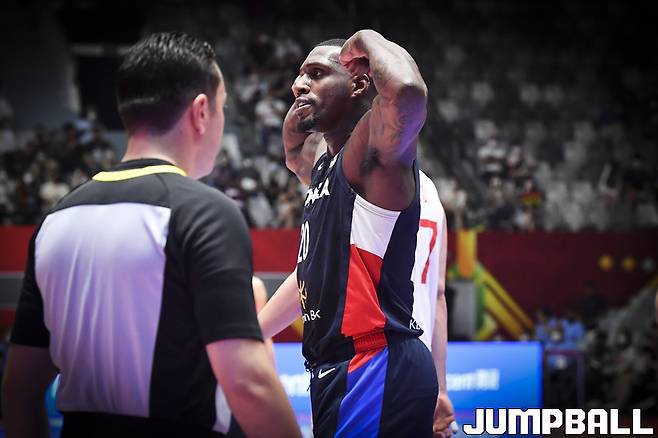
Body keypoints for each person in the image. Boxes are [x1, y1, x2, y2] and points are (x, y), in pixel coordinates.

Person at [1, 32, 299, 438]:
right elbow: (248, 383)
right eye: (223, 107)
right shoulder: (206, 214)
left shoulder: (55, 220)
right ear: (201, 112)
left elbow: (18, 393)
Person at [259, 30, 438, 436]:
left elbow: (408, 93)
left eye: (316, 73)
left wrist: (365, 38)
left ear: (359, 84)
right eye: (299, 76)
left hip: (372, 362)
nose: (298, 84)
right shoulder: (328, 167)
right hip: (343, 366)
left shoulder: (372, 155)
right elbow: (292, 149)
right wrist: (308, 95)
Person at [412, 171, 456, 437]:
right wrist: (441, 388)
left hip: (367, 359)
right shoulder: (430, 191)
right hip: (420, 359)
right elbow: (438, 295)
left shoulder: (357, 179)